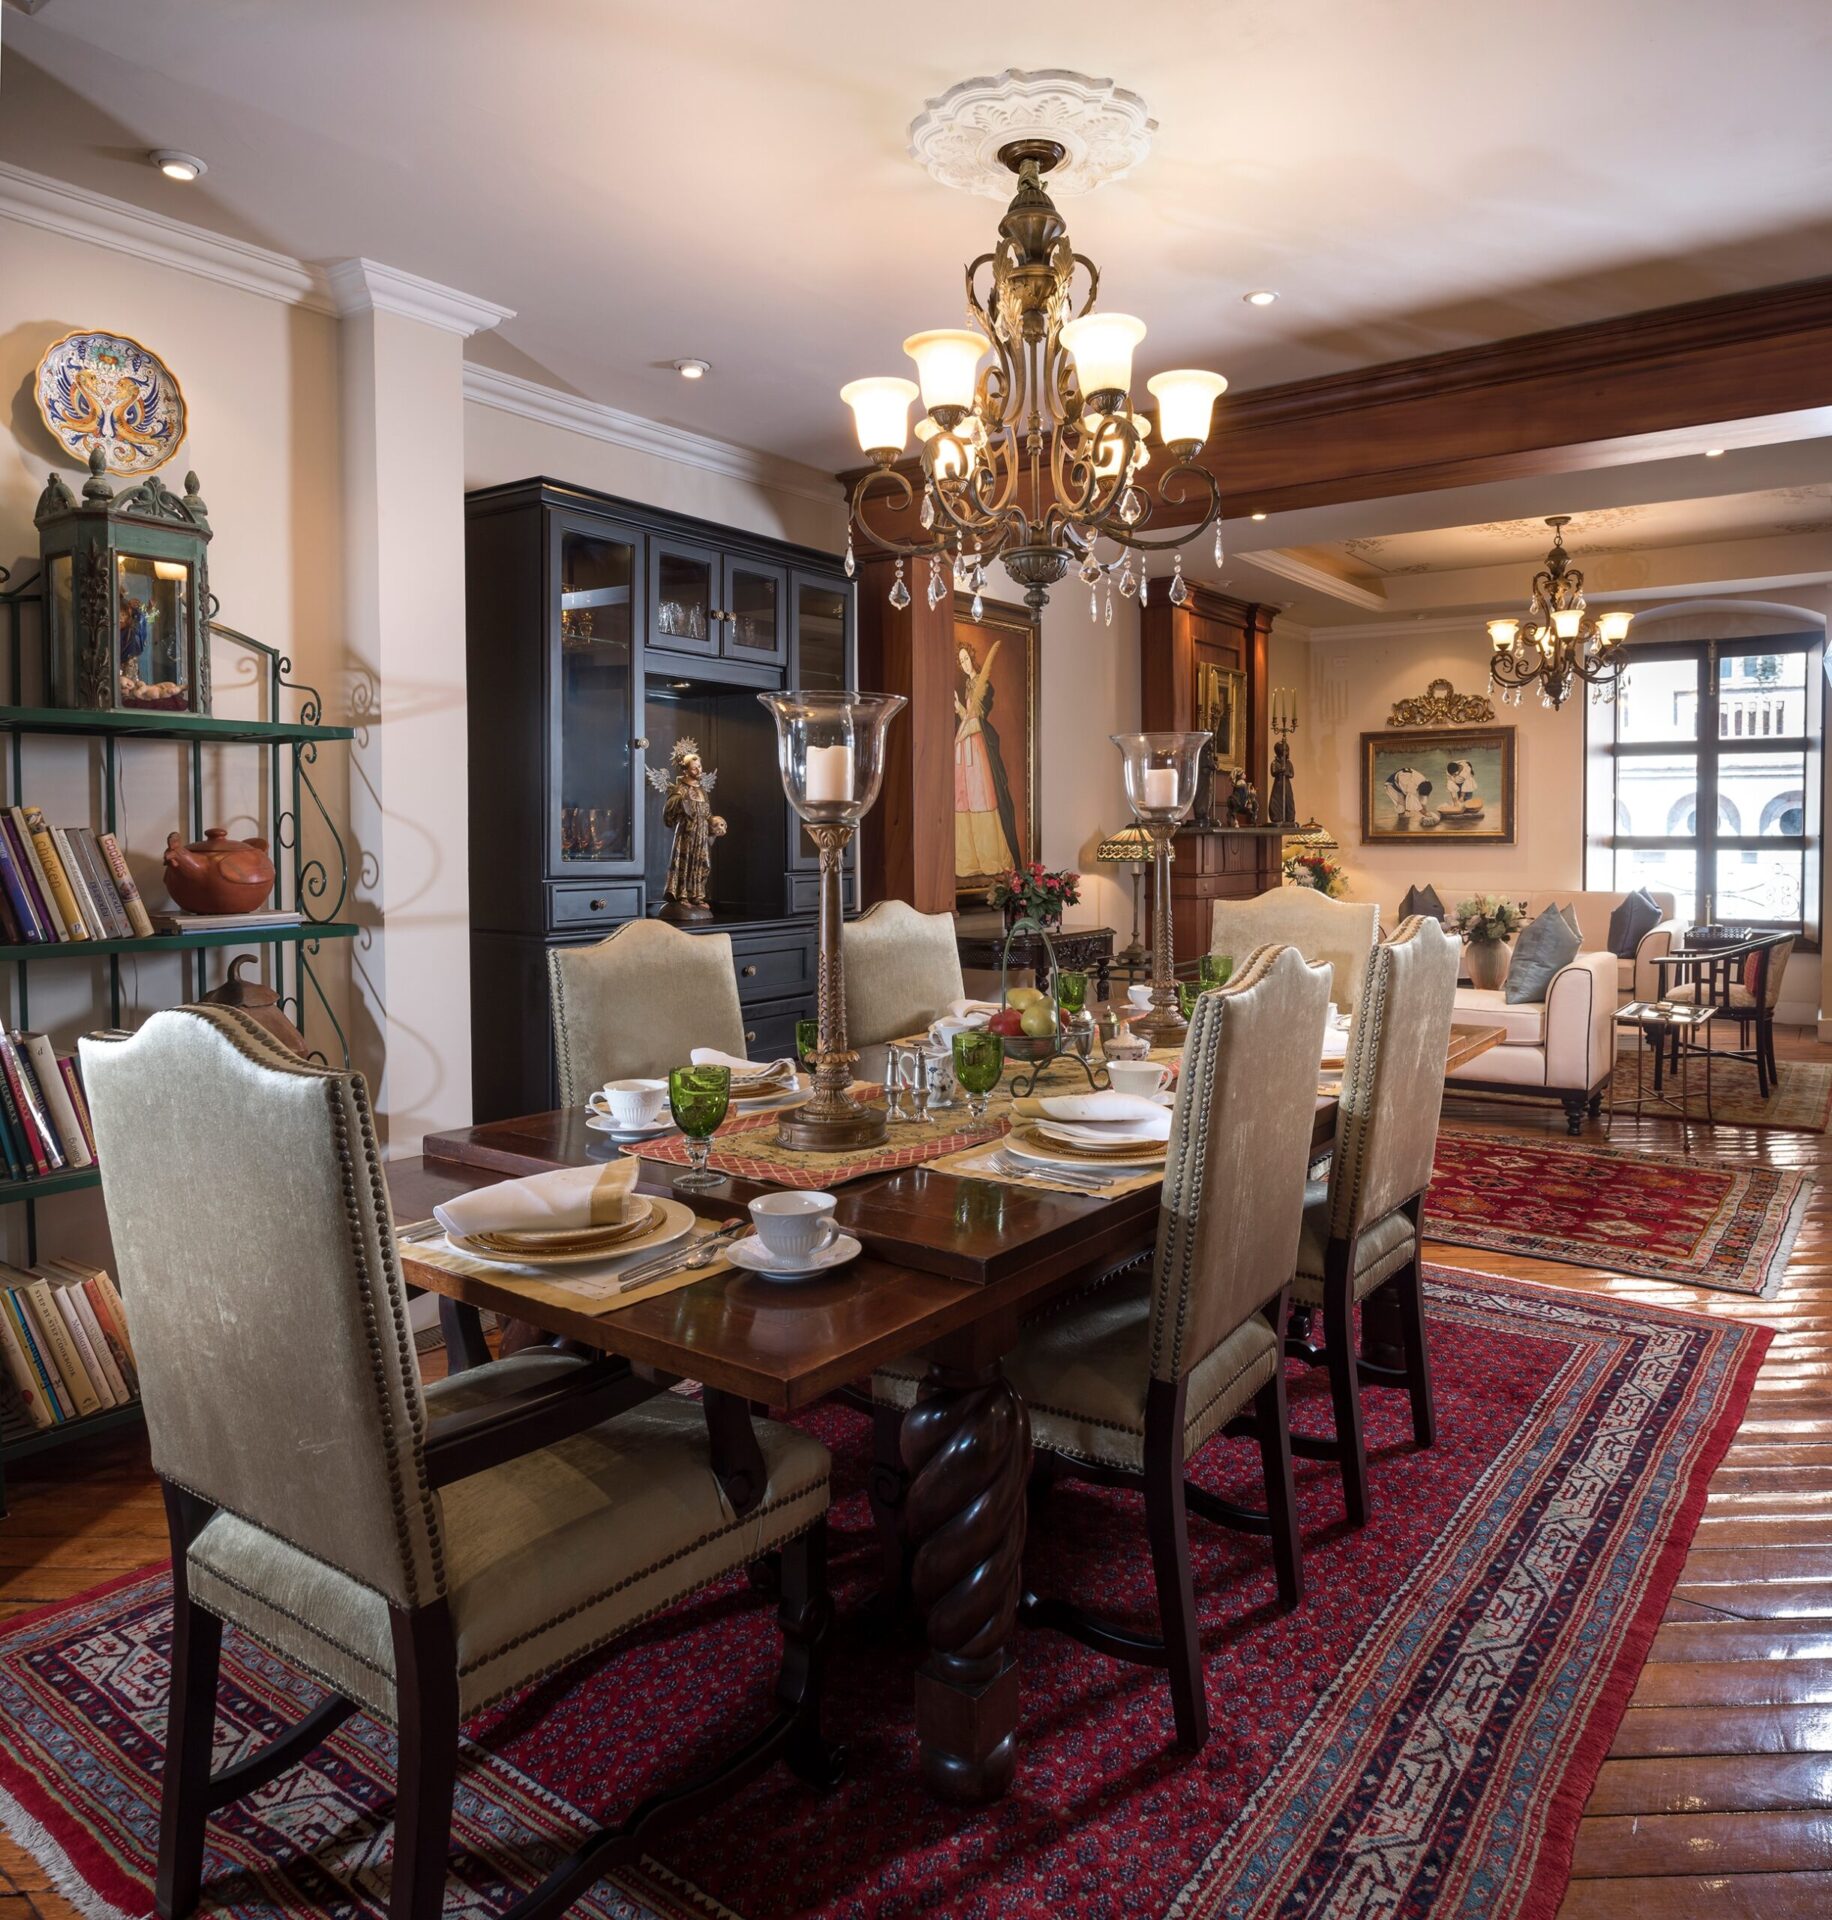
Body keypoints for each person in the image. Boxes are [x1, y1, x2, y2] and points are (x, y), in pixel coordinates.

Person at [954, 639, 1022, 879]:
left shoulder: (983, 684)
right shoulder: (967, 684)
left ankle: (991, 857)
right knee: (965, 799)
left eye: (966, 659)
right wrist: (958, 708)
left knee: (981, 796)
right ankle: (970, 858)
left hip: (976, 743)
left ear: (973, 659)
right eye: (960, 661)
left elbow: (978, 720)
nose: (963, 664)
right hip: (965, 745)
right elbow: (968, 715)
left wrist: (961, 731)